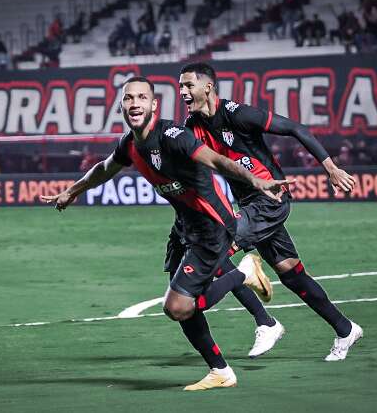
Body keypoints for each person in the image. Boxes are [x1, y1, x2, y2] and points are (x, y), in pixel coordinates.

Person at [42, 76, 293, 390]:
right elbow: (104, 168)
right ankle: (220, 371)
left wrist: (256, 181)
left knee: (177, 307)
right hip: (184, 227)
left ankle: (243, 272)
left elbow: (216, 159)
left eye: (142, 98)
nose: (135, 104)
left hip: (212, 227)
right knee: (181, 303)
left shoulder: (174, 136)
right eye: (129, 98)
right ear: (121, 105)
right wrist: (72, 191)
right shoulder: (130, 144)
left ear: (153, 105)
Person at [178, 62, 363, 362]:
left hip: (270, 199)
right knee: (292, 275)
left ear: (208, 87)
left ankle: (265, 321)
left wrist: (330, 168)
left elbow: (294, 128)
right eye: (181, 86)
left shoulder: (238, 114)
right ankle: (345, 329)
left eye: (188, 85)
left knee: (215, 249)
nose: (183, 91)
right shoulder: (191, 127)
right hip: (248, 206)